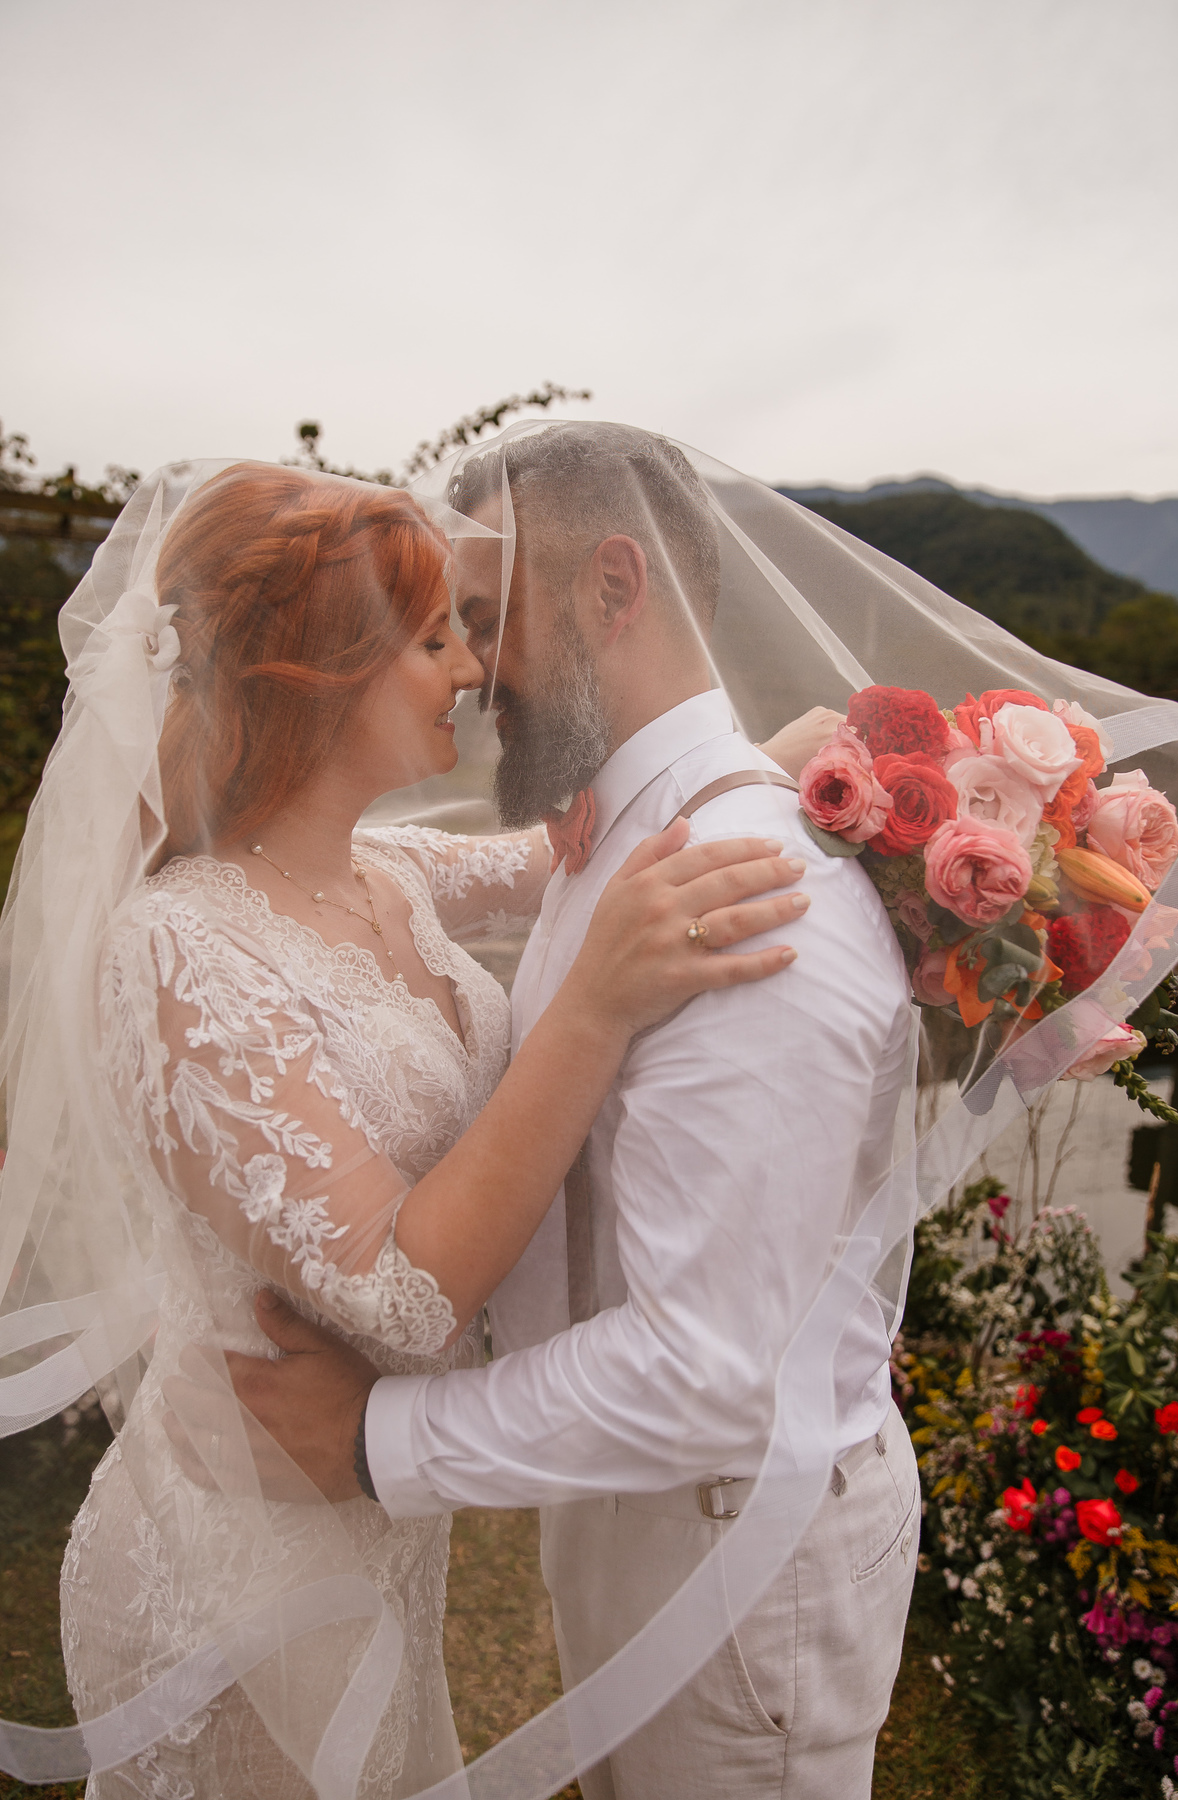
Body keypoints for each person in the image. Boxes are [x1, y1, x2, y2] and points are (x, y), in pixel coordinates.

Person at [5, 460, 807, 1800]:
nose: (474, 670)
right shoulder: (178, 951)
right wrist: (593, 1005)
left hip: (365, 1534)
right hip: (242, 1576)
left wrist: (776, 773)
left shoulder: (384, 871)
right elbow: (400, 1286)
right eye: (436, 639)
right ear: (318, 673)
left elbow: (576, 851)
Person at [219, 425, 921, 1800]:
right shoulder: (625, 839)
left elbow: (712, 1371)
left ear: (613, 586)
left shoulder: (745, 898)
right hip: (638, 1514)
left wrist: (369, 1442)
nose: (468, 670)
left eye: (488, 619)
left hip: (736, 1566)